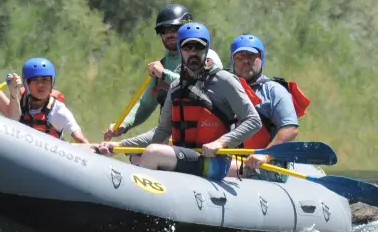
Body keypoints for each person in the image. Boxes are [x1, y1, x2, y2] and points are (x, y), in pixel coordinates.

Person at [94, 23, 261, 180]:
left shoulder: (224, 81)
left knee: (153, 153)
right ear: (180, 50)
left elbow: (253, 120)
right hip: (185, 155)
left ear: (207, 48)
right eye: (187, 47)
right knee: (137, 155)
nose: (193, 52)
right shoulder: (175, 86)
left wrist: (221, 142)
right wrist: (120, 145)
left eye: (199, 47)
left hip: (215, 162)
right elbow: (161, 133)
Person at [103, 4, 223, 140]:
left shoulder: (207, 56)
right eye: (164, 30)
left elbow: (202, 90)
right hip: (172, 136)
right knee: (136, 155)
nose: (169, 34)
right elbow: (145, 104)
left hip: (205, 136)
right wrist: (124, 124)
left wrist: (165, 74)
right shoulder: (162, 65)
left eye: (175, 29)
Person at [227, 33, 310, 176]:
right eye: (240, 57)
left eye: (251, 56)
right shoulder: (225, 88)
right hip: (231, 160)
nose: (246, 61)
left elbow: (290, 129)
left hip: (266, 166)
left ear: (262, 60)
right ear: (233, 61)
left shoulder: (274, 90)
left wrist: (265, 155)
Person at [7, 57, 90, 143]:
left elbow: (80, 139)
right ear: (26, 83)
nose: (41, 84)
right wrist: (13, 93)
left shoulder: (58, 110)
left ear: (52, 83)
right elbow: (12, 121)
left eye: (45, 79)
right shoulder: (18, 101)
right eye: (35, 80)